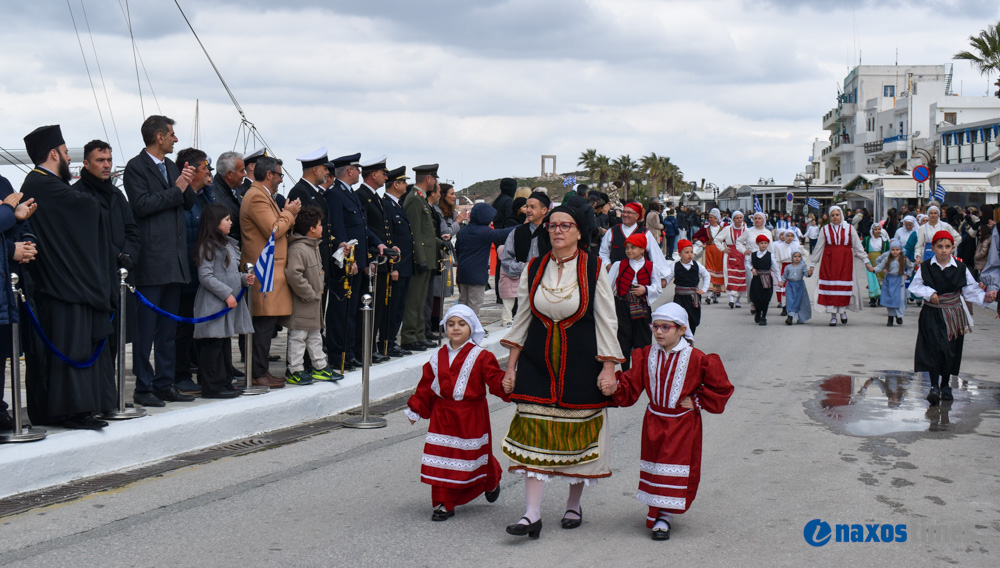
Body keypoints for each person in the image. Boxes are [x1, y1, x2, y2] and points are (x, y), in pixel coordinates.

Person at [499, 205, 624, 540]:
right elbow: (521, 317)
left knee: (577, 437)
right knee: (533, 433)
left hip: (581, 364)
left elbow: (607, 320)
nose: (557, 231)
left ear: (580, 232)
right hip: (538, 364)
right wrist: (511, 366)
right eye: (552, 226)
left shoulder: (594, 267)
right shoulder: (535, 268)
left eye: (565, 226)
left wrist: (609, 368)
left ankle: (573, 504)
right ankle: (531, 514)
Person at [607, 303, 734, 541]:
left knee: (672, 468)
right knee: (656, 467)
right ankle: (657, 510)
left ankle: (663, 516)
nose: (659, 332)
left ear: (681, 329)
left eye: (666, 327)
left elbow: (721, 387)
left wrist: (697, 399)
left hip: (683, 425)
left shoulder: (696, 358)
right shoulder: (646, 355)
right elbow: (632, 383)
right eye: (655, 326)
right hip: (654, 420)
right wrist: (614, 386)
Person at [20, 125, 115, 428]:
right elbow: (86, 208)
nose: (67, 159)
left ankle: (89, 405)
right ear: (53, 153)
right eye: (64, 153)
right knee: (70, 347)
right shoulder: (42, 184)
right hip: (62, 287)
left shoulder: (41, 184)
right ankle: (72, 410)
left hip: (67, 282)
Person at [405, 304, 509, 521]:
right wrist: (416, 408)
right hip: (443, 414)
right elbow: (427, 385)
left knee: (473, 456)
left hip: (471, 415)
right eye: (451, 324)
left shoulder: (482, 356)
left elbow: (494, 379)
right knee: (442, 458)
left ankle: (490, 479)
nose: (456, 328)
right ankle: (444, 503)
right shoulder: (437, 357)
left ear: (472, 328)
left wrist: (508, 386)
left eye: (462, 324)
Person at [124, 115, 198, 407]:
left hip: (175, 259)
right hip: (152, 260)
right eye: (171, 134)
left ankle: (164, 382)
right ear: (158, 137)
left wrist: (186, 184)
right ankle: (143, 386)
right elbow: (142, 206)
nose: (175, 139)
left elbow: (188, 202)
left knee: (168, 328)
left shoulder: (171, 166)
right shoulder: (135, 168)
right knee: (146, 330)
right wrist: (177, 189)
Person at [74, 140, 141, 378]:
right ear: (86, 163)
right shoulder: (77, 194)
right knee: (95, 343)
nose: (106, 165)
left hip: (120, 277)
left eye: (109, 160)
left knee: (116, 341)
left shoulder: (116, 194)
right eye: (100, 161)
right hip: (95, 279)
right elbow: (86, 235)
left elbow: (132, 229)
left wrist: (129, 254)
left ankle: (111, 396)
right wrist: (117, 255)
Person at [908, 231, 995, 405]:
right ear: (932, 248)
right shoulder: (925, 267)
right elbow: (915, 286)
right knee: (933, 348)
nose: (943, 250)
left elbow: (971, 289)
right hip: (932, 312)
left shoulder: (960, 268)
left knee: (949, 350)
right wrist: (929, 292)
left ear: (953, 248)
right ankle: (934, 386)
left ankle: (946, 385)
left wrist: (984, 297)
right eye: (939, 247)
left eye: (947, 247)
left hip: (953, 313)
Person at [240, 156, 299, 388]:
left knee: (266, 325)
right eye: (279, 175)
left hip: (270, 271)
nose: (281, 179)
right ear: (269, 175)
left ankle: (260, 370)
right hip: (264, 272)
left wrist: (285, 214)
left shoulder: (263, 195)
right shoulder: (256, 196)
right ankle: (257, 373)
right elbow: (273, 230)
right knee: (262, 325)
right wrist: (290, 213)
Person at [325, 153, 387, 370]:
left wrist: (378, 244)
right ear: (349, 171)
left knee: (353, 310)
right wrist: (347, 258)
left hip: (358, 261)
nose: (360, 172)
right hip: (346, 262)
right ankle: (339, 354)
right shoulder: (335, 195)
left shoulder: (349, 194)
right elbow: (339, 230)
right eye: (357, 169)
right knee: (341, 311)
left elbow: (362, 227)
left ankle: (348, 351)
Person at [191, 204, 253, 398]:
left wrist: (244, 279)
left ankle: (224, 382)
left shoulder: (227, 244)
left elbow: (230, 273)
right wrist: (227, 294)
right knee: (212, 346)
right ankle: (212, 386)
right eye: (226, 219)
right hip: (213, 304)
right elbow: (206, 276)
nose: (230, 222)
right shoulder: (207, 245)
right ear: (215, 223)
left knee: (223, 345)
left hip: (226, 305)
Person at [282, 205, 341, 384]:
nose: (323, 228)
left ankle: (320, 366)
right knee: (298, 337)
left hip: (313, 303)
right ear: (312, 228)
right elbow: (293, 273)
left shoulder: (312, 247)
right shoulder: (299, 249)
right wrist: (308, 293)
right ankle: (295, 369)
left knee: (315, 335)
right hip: (303, 303)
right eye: (320, 224)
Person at [175, 147, 215, 396]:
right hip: (185, 272)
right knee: (182, 327)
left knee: (200, 326)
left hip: (203, 272)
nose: (209, 172)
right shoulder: (181, 197)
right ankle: (180, 375)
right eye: (205, 167)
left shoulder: (206, 197)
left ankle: (204, 369)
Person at [0, 174, 36, 431]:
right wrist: (10, 210)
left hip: (5, 288)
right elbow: (7, 217)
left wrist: (27, 244)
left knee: (1, 354)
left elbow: (20, 225)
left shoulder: (2, 182)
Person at [808, 205, 873, 326]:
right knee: (832, 289)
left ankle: (842, 311)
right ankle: (833, 316)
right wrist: (813, 264)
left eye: (837, 215)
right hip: (829, 262)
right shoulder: (825, 229)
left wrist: (866, 261)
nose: (835, 217)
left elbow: (857, 246)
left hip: (845, 262)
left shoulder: (849, 228)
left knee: (844, 288)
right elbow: (818, 247)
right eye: (832, 215)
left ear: (841, 215)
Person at [400, 164, 442, 352]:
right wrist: (420, 257)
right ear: (428, 179)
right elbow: (415, 232)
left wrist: (440, 243)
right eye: (434, 179)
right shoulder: (414, 200)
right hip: (421, 257)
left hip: (428, 256)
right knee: (414, 299)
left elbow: (426, 232)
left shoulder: (421, 200)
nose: (435, 182)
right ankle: (410, 336)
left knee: (422, 298)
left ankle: (418, 334)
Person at [355, 156, 392, 365]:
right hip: (371, 260)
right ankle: (363, 349)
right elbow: (363, 229)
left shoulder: (375, 197)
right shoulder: (362, 196)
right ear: (373, 174)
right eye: (383, 173)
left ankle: (371, 347)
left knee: (377, 307)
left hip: (381, 259)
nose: (385, 176)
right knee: (368, 308)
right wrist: (370, 254)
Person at [608, 232, 661, 370]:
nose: (629, 251)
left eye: (633, 247)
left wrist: (646, 289)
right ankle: (625, 371)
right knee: (623, 340)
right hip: (623, 307)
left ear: (643, 250)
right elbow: (608, 286)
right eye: (627, 248)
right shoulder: (619, 265)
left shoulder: (651, 267)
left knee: (642, 341)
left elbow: (658, 288)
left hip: (642, 307)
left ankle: (640, 371)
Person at [498, 192, 551, 326]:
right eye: (527, 206)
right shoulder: (517, 232)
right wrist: (526, 267)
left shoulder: (553, 231)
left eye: (532, 207)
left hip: (551, 287)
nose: (527, 210)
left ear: (544, 210)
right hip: (525, 287)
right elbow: (506, 261)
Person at [454, 203, 516, 316]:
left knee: (463, 302)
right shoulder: (485, 232)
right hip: (477, 274)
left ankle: (461, 324)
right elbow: (502, 233)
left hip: (463, 272)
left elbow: (457, 249)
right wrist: (521, 226)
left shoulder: (463, 231)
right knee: (475, 304)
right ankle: (472, 329)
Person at [383, 166, 416, 357]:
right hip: (397, 266)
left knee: (399, 306)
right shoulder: (387, 204)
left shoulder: (396, 204)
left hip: (404, 265)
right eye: (403, 181)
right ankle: (387, 341)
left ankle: (392, 340)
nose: (405, 185)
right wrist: (393, 266)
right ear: (396, 184)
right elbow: (389, 237)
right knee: (393, 307)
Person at [599, 202, 668, 279]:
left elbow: (655, 255)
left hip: (639, 278)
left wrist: (662, 276)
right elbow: (603, 252)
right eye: (624, 212)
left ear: (637, 216)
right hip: (617, 278)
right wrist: (608, 265)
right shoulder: (612, 231)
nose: (625, 215)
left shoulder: (645, 233)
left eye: (629, 212)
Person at [663, 239, 710, 334]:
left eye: (691, 252)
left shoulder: (697, 265)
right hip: (680, 298)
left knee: (693, 320)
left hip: (693, 299)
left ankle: (690, 340)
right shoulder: (675, 266)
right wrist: (663, 283)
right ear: (680, 254)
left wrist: (704, 289)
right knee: (680, 320)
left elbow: (706, 275)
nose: (690, 255)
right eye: (686, 252)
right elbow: (668, 278)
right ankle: (680, 341)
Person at [874, 240, 913, 327]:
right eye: (893, 250)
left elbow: (910, 266)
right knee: (890, 299)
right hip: (889, 280)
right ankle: (890, 317)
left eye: (897, 249)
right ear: (890, 250)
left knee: (899, 299)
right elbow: (880, 266)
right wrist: (873, 269)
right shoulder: (887, 258)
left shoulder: (903, 259)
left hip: (899, 281)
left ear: (900, 250)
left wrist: (907, 275)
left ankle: (899, 315)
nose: (895, 252)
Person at [691, 208, 726, 304]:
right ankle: (709, 296)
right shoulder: (705, 229)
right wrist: (701, 244)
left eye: (712, 217)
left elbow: (728, 239)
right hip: (709, 252)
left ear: (716, 219)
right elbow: (694, 237)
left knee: (718, 272)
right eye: (709, 217)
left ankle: (715, 296)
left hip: (720, 253)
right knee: (709, 272)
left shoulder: (723, 229)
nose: (710, 219)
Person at [713, 210, 747, 308]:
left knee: (741, 277)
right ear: (733, 219)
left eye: (740, 218)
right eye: (737, 218)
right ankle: (731, 298)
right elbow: (717, 239)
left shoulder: (746, 230)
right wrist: (723, 249)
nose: (739, 220)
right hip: (730, 255)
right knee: (730, 276)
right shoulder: (727, 229)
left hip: (742, 256)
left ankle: (738, 300)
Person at [748, 234, 780, 325]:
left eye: (765, 243)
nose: (763, 245)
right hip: (757, 279)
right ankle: (758, 312)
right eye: (761, 243)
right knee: (756, 298)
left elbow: (775, 268)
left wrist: (779, 280)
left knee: (765, 299)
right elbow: (747, 262)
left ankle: (763, 317)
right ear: (758, 244)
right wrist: (752, 269)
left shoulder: (770, 255)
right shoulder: (753, 255)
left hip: (767, 279)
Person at [780, 251, 812, 325]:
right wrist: (781, 282)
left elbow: (806, 274)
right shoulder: (788, 267)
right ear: (792, 257)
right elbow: (784, 276)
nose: (797, 258)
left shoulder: (802, 266)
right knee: (790, 300)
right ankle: (790, 317)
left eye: (799, 256)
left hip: (799, 285)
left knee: (798, 301)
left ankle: (795, 317)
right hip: (790, 285)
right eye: (795, 256)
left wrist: (809, 273)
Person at [863, 223, 890, 308]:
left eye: (879, 229)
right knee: (872, 279)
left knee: (881, 279)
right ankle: (872, 299)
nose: (877, 231)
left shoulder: (884, 241)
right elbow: (863, 249)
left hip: (881, 262)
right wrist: (865, 256)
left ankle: (880, 298)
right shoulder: (867, 240)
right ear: (872, 231)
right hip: (871, 261)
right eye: (876, 229)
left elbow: (887, 252)